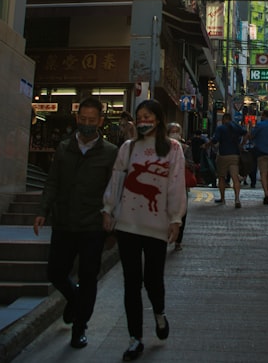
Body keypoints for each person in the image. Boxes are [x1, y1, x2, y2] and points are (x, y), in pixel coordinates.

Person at [102, 99, 186, 361]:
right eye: (140, 116)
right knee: (131, 283)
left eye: (148, 116)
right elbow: (117, 179)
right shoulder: (128, 148)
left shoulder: (172, 148)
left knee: (153, 280)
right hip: (128, 224)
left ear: (158, 119)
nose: (143, 121)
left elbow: (175, 184)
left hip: (157, 226)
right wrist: (108, 210)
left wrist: (175, 219)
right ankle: (134, 338)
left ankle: (159, 314)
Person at [34, 97, 118, 350]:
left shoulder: (110, 152)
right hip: (64, 221)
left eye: (92, 121)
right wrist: (42, 210)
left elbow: (112, 190)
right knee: (56, 272)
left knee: (89, 276)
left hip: (92, 225)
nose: (87, 124)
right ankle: (74, 299)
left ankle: (80, 328)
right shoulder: (63, 148)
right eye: (83, 119)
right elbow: (52, 182)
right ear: (77, 118)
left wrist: (110, 216)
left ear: (101, 122)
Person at [209, 113, 247, 208]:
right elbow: (246, 133)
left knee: (221, 177)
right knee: (235, 177)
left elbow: (215, 140)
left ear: (224, 119)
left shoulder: (220, 128)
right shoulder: (237, 127)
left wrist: (208, 144)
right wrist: (242, 144)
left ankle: (222, 198)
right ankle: (237, 199)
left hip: (223, 155)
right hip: (235, 155)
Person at [167, 122, 191, 251]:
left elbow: (192, 165)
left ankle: (178, 240)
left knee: (182, 211)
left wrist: (181, 160)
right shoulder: (161, 148)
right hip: (165, 184)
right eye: (172, 131)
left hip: (182, 184)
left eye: (177, 131)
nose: (175, 134)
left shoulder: (185, 148)